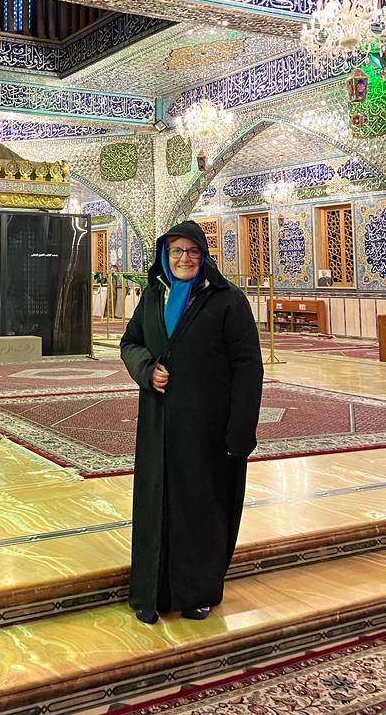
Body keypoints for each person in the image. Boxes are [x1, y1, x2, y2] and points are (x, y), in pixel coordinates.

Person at [120, 219, 263, 623]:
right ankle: (152, 594)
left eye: (193, 251)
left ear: (204, 255)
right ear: (165, 256)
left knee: (200, 507)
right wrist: (146, 369)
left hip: (207, 429)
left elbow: (248, 367)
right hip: (159, 426)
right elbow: (130, 342)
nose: (185, 258)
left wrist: (241, 431)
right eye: (177, 251)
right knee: (157, 505)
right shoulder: (154, 295)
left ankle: (198, 592)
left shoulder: (226, 300)